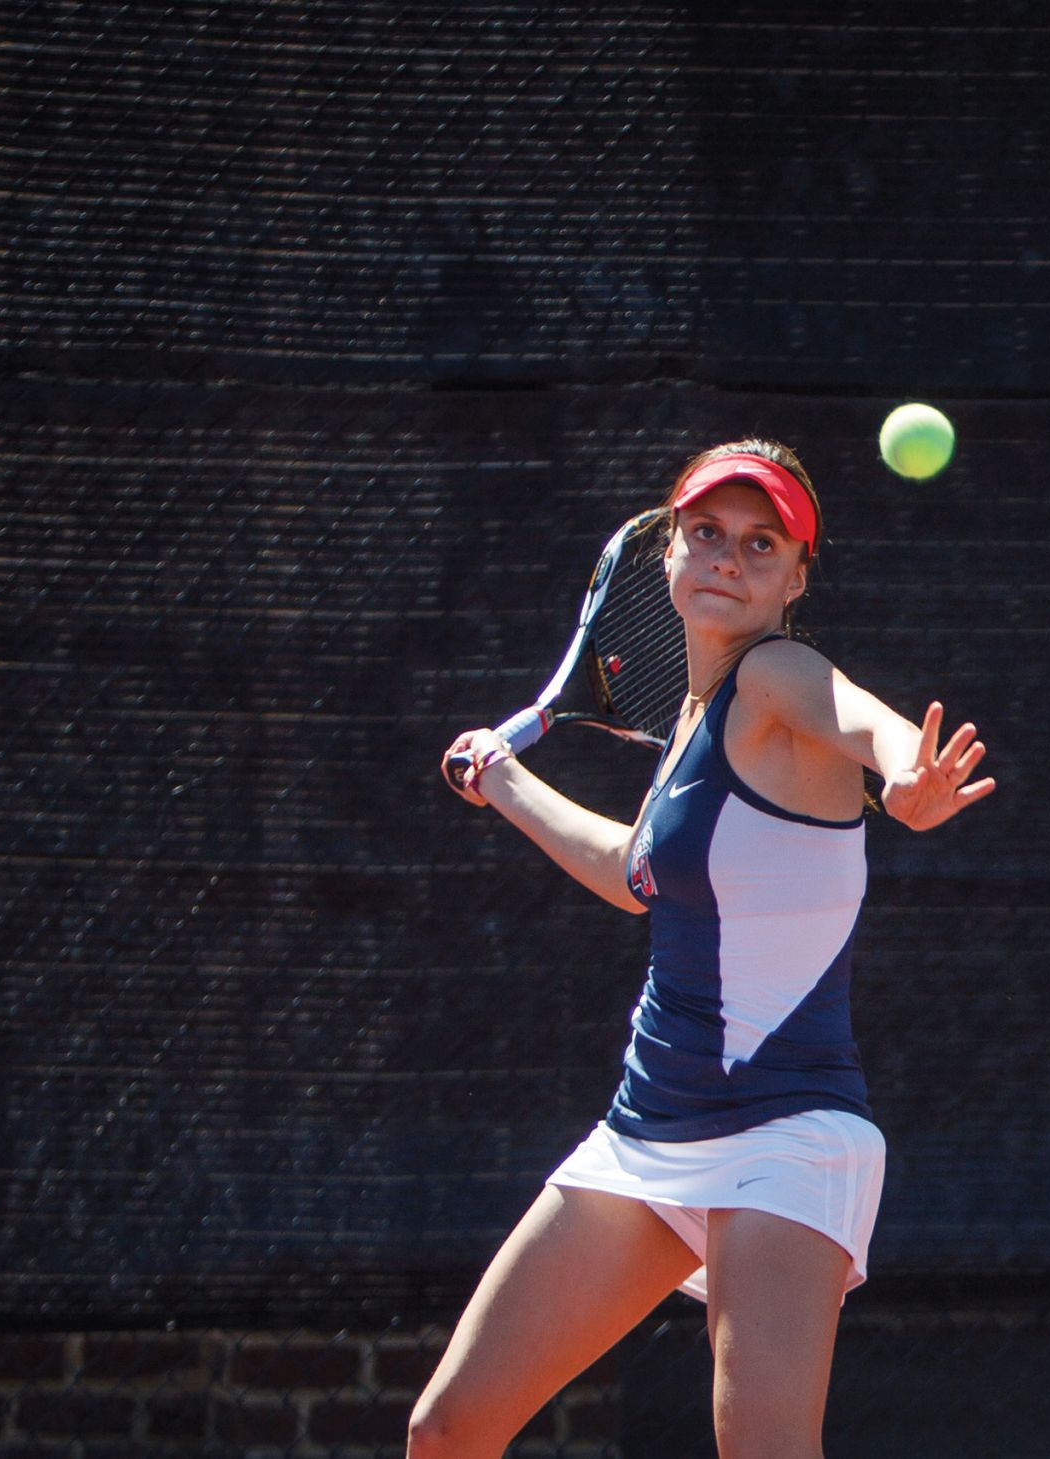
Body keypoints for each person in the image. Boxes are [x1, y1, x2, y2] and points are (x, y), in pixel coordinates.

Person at [411, 439, 995, 1459]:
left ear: (794, 577)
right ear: (669, 552)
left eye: (759, 543)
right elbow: (636, 874)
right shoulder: (691, 722)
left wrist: (906, 777)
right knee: (449, 1429)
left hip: (783, 1134)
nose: (728, 557)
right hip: (650, 1124)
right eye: (706, 534)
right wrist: (501, 778)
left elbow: (863, 722)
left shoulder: (776, 674)